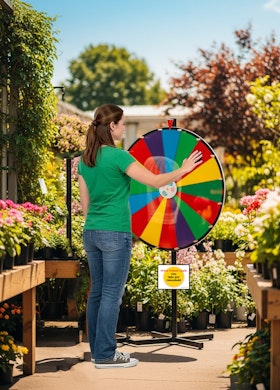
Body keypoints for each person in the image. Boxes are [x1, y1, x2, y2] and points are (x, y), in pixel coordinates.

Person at [78, 104, 203, 369]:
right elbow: (156, 182)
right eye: (122, 124)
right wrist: (183, 169)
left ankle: (98, 352)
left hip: (91, 232)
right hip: (115, 232)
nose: (124, 128)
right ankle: (106, 355)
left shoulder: (85, 160)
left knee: (98, 293)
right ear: (111, 126)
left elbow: (85, 205)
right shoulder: (119, 157)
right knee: (112, 294)